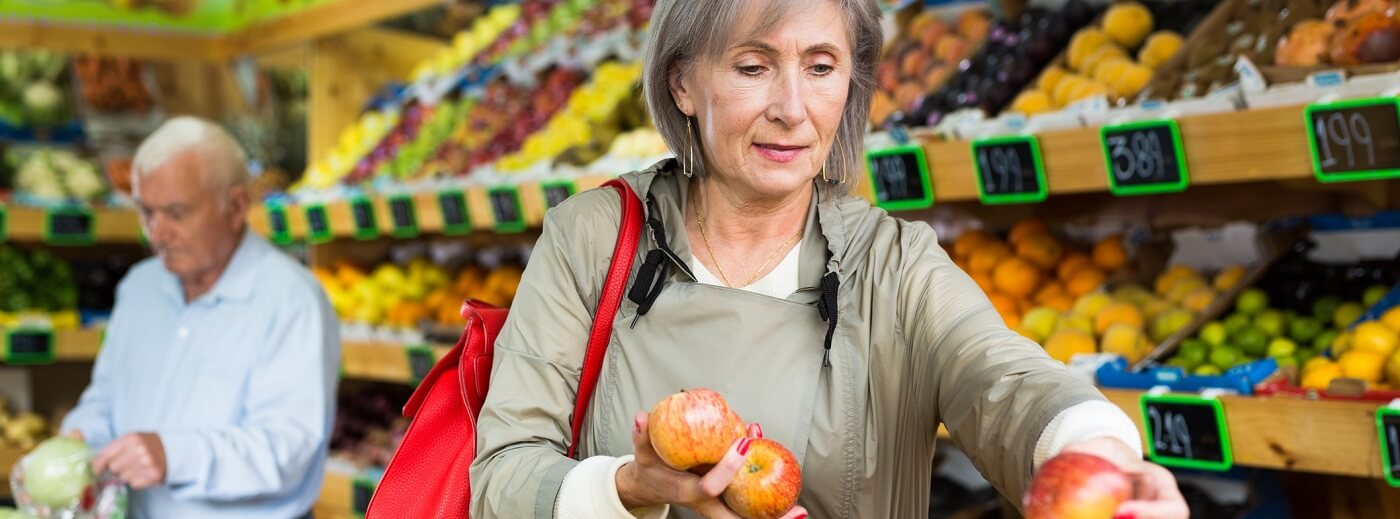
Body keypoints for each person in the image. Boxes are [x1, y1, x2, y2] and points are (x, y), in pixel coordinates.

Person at [471, 1, 1189, 518]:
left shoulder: (891, 264)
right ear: (683, 83)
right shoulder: (592, 238)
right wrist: (629, 487)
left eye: (821, 67)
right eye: (753, 66)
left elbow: (1006, 378)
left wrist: (1101, 454)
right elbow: (500, 475)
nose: (792, 107)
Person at [61, 116, 340, 519]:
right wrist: (80, 436)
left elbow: (288, 448)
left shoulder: (292, 300)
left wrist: (172, 455)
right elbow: (105, 398)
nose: (157, 233)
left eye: (176, 213)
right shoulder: (139, 288)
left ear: (237, 206)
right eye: (146, 212)